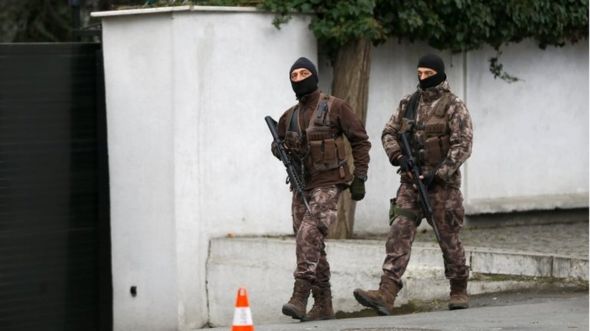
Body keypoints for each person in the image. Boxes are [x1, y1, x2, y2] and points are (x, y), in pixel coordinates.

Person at [353, 53, 473, 315]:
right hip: (410, 183)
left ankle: (458, 288)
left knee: (448, 237)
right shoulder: (409, 103)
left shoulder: (454, 106)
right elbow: (388, 132)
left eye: (428, 74)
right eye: (419, 73)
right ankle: (386, 292)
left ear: (439, 74)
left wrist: (440, 172)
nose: (423, 78)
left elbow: (463, 145)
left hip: (442, 187)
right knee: (399, 230)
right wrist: (398, 156)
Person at [271, 57, 371, 321]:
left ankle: (300, 294)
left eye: (305, 73)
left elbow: (360, 141)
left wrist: (360, 176)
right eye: (295, 75)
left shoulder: (336, 107)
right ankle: (323, 303)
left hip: (328, 183)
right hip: (301, 184)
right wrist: (280, 150)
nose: (300, 78)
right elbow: (277, 145)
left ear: (314, 76)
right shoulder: (288, 116)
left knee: (309, 232)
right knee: (311, 243)